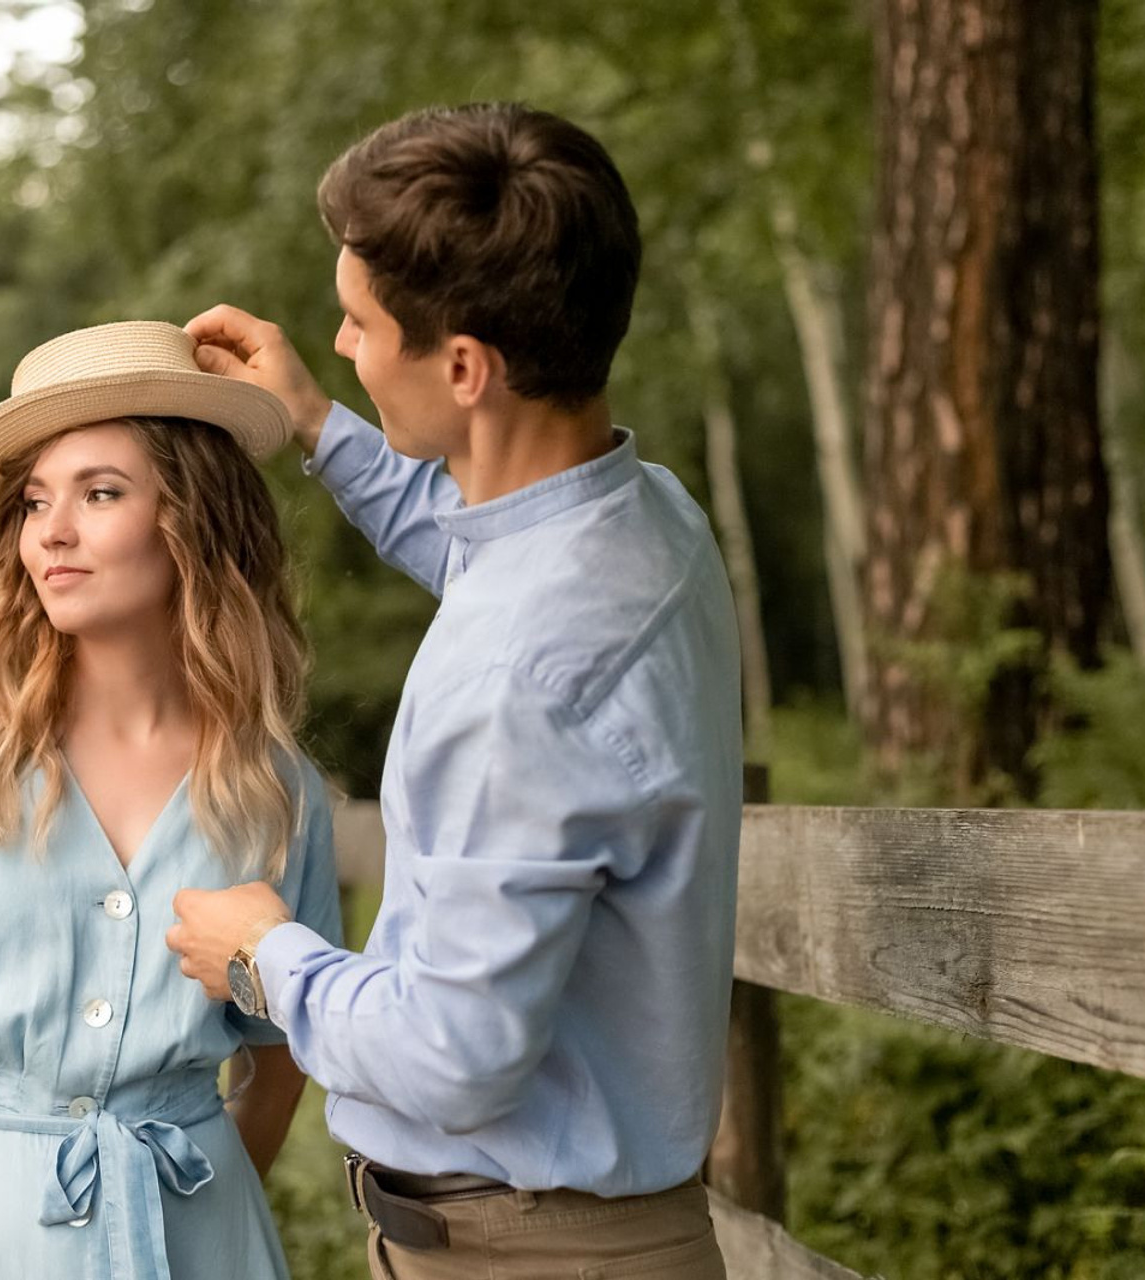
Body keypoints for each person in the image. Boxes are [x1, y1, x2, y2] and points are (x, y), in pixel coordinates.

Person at [166, 103, 741, 1278]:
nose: (342, 343)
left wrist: (264, 954)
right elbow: (483, 545)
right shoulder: (647, 519)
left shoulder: (519, 682)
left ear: (466, 368)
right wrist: (316, 422)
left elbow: (453, 1053)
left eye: (362, 324)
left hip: (525, 1254)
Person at [0, 320, 343, 1279]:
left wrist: (204, 1214)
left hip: (198, 1236)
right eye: (35, 501)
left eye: (100, 493)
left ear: (192, 518)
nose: (52, 531)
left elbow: (279, 1058)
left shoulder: (276, 791)